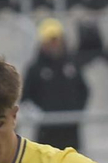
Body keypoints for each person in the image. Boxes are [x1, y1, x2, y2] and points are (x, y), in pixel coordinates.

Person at [20, 18, 89, 152]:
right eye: (50, 40)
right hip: (46, 132)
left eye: (56, 39)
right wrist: (41, 117)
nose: (54, 44)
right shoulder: (35, 68)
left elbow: (84, 90)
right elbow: (25, 99)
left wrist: (77, 111)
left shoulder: (72, 64)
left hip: (71, 130)